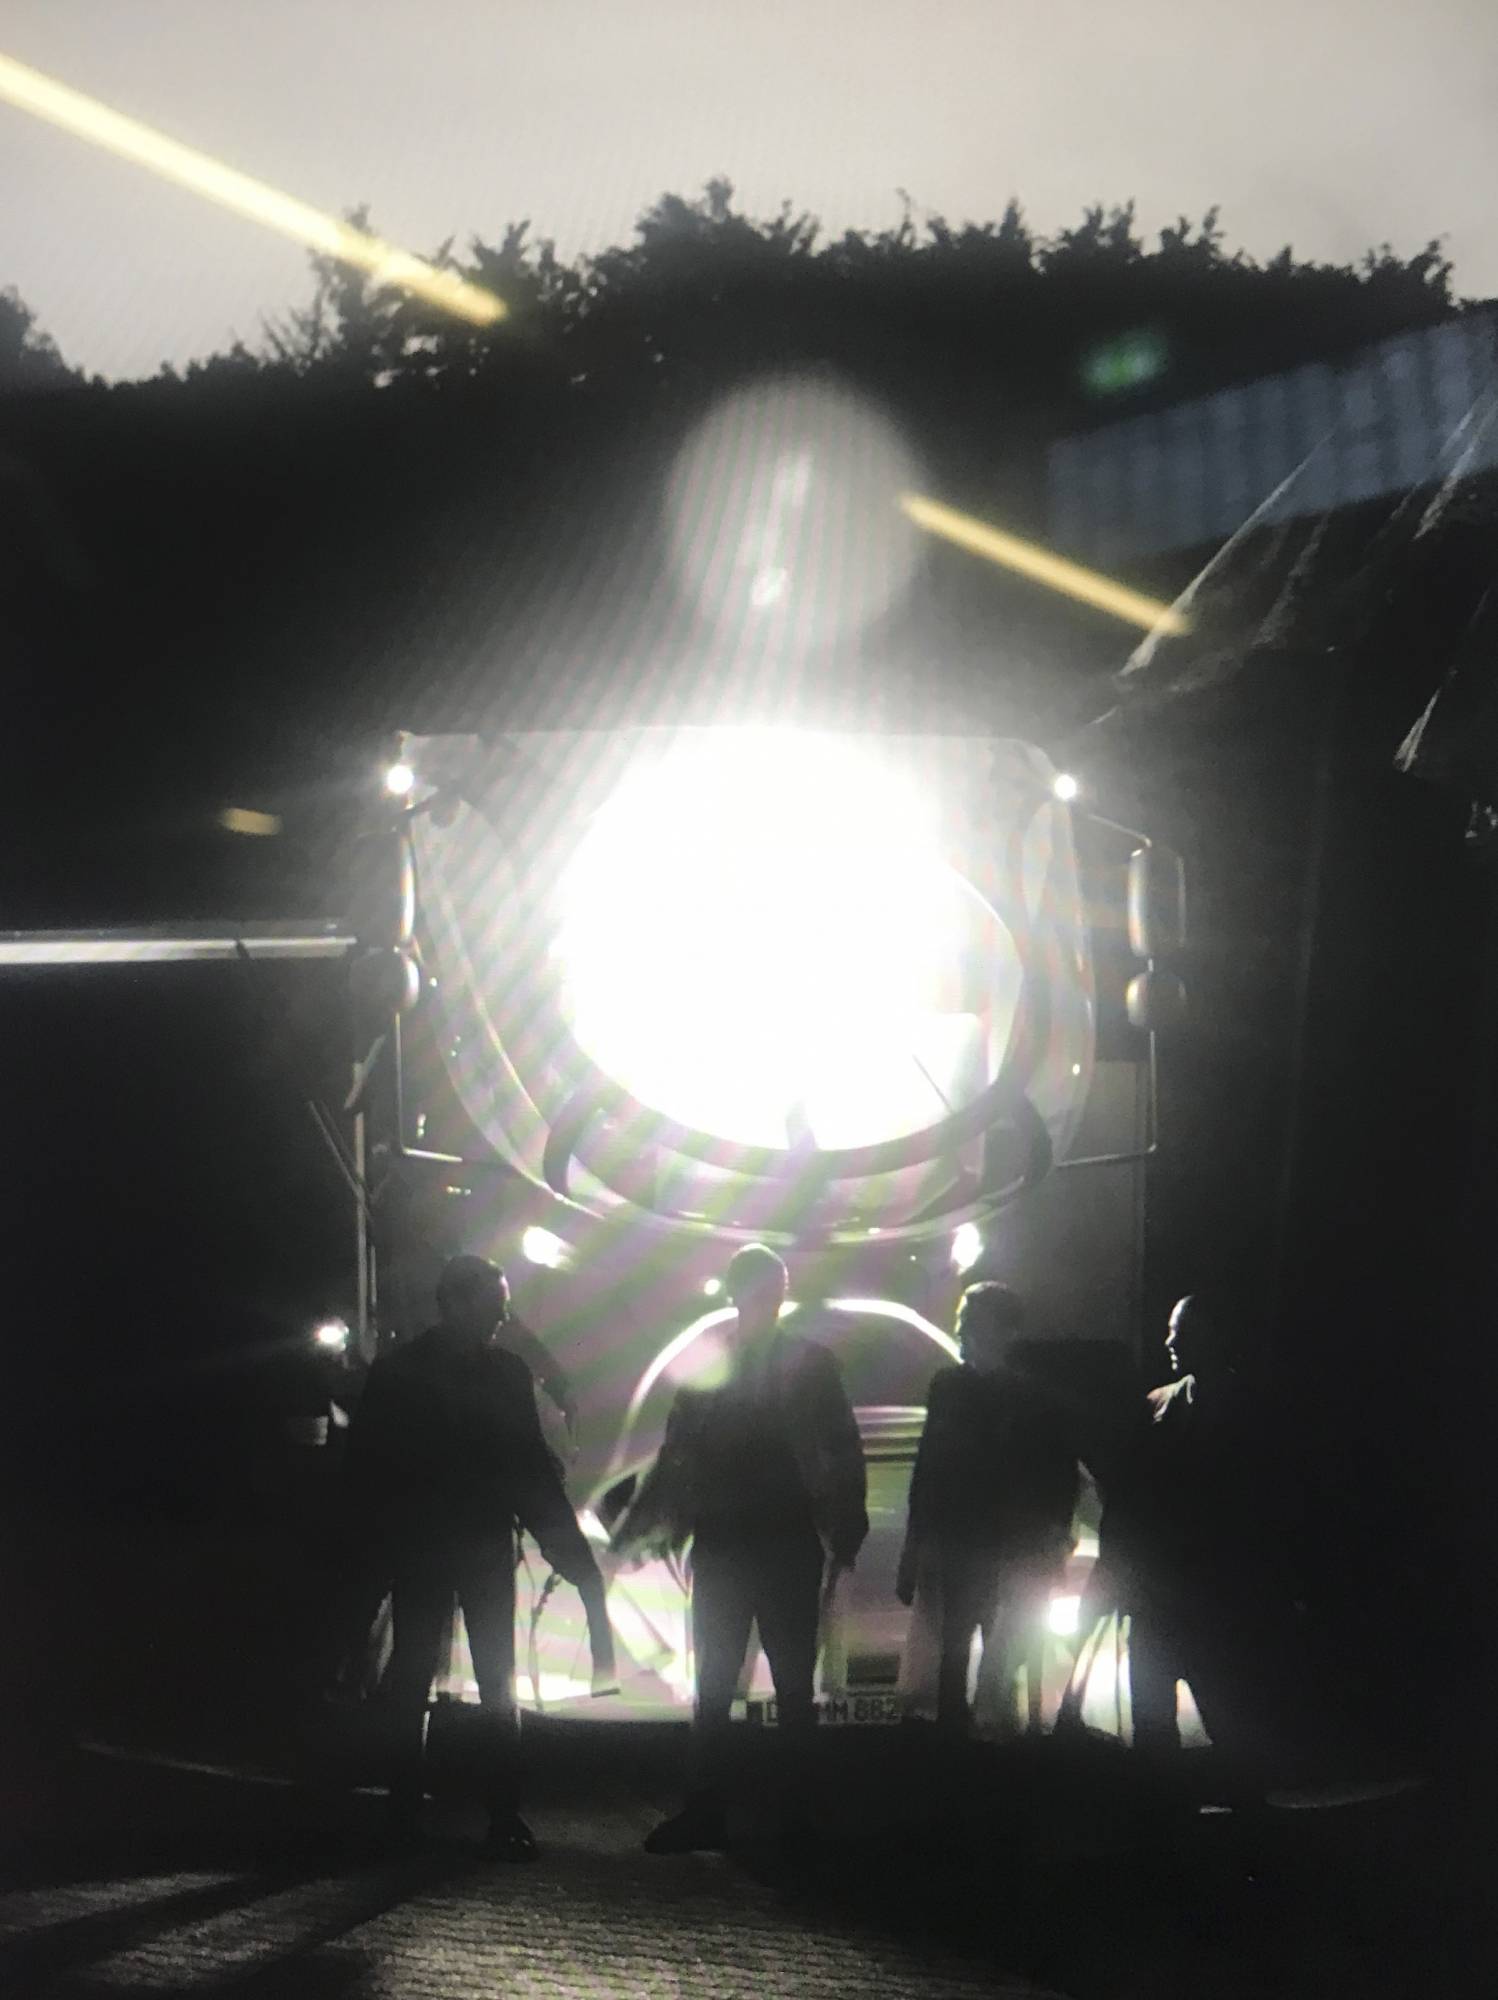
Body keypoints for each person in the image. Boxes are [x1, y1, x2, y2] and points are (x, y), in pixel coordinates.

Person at [344, 1254, 615, 1857]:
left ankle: (405, 1810)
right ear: (462, 1303)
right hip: (481, 1546)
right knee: (494, 1676)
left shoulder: (400, 1371)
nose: (501, 1317)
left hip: (423, 1546)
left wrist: (368, 1555)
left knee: (415, 1672)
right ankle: (501, 1815)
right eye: (495, 1305)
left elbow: (365, 1470)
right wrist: (568, 1552)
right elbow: (527, 1467)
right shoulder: (503, 1373)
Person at [614, 1243, 868, 1856]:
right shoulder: (808, 1363)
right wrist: (844, 1529)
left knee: (723, 1683)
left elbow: (678, 1455)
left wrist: (646, 1525)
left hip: (736, 1540)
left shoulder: (726, 1365)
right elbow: (841, 1449)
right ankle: (792, 1820)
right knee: (785, 1686)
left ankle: (715, 1813)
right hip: (776, 1538)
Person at [1093, 1293, 1299, 1792]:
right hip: (1162, 1596)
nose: (1170, 1341)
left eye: (1181, 1332)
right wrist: (1115, 1571)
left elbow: (1272, 1506)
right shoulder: (1156, 1405)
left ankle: (1240, 1813)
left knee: (1228, 1719)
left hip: (1216, 1598)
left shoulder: (1253, 1411)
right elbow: (1126, 1502)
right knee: (1155, 1724)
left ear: (1215, 1337)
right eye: (1172, 1331)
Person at [895, 1282, 1078, 1738]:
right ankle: (976, 1741)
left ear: (1001, 1330)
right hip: (979, 1545)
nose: (960, 1331)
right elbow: (930, 1470)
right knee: (971, 1655)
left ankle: (974, 1742)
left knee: (983, 1654)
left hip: (995, 1546)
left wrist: (915, 1546)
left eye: (969, 1322)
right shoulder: (967, 1388)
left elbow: (1056, 1475)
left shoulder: (997, 1392)